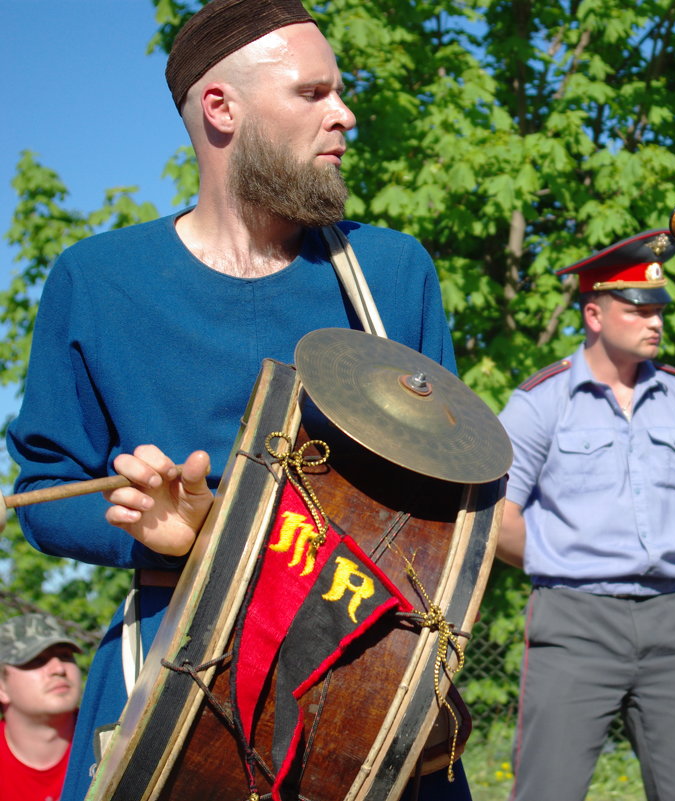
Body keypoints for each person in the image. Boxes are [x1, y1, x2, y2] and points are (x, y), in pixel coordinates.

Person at [5, 1, 464, 799]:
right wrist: (163, 535)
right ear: (222, 108)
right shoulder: (98, 279)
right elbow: (44, 492)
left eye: (338, 92)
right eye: (312, 93)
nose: (343, 115)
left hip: (368, 675)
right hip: (176, 673)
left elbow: (457, 489)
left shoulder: (390, 273)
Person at [496, 230, 675, 801]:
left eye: (659, 309)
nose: (654, 320)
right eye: (638, 308)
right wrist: (566, 558)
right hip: (574, 620)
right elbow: (499, 517)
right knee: (546, 792)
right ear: (595, 314)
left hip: (674, 622)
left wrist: (658, 549)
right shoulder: (540, 402)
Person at [0, 613, 84, 801]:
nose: (58, 669)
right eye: (37, 660)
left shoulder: (110, 742)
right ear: (2, 688)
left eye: (65, 656)